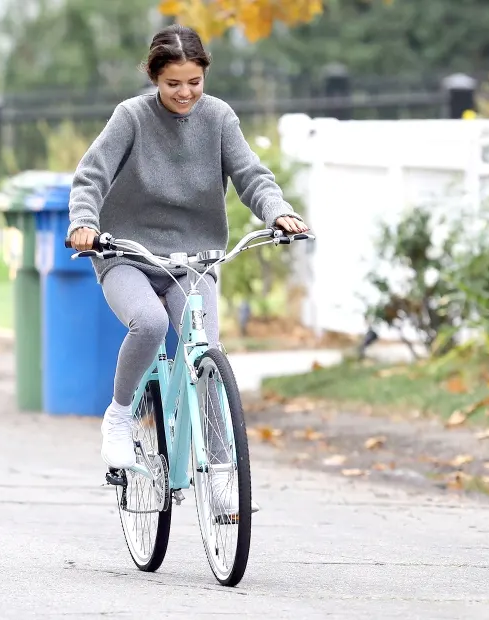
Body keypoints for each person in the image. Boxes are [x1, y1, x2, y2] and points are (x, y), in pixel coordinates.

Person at [67, 23, 309, 512]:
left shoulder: (218, 118)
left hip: (194, 261)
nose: (185, 93)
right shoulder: (131, 117)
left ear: (204, 76)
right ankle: (118, 417)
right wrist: (84, 223)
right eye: (173, 83)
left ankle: (221, 480)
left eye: (194, 82)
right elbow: (90, 177)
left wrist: (276, 210)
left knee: (206, 359)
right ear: (154, 78)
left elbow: (251, 176)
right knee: (151, 323)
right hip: (128, 254)